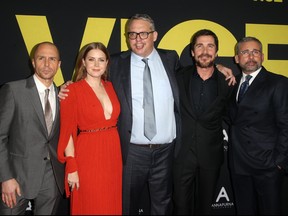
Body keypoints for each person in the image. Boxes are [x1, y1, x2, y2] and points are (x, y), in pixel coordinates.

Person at [59, 14, 235, 215]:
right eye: (132, 34)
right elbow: (89, 83)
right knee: (127, 206)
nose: (138, 39)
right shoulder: (116, 63)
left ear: (155, 35)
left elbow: (198, 71)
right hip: (132, 152)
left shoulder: (170, 58)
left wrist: (218, 66)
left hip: (166, 152)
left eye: (143, 33)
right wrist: (65, 86)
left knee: (163, 205)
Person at [173, 29, 235, 215]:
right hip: (181, 155)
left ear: (216, 52)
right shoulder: (177, 77)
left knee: (205, 208)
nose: (205, 51)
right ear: (192, 51)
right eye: (199, 46)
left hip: (211, 155)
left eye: (210, 46)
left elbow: (230, 115)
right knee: (181, 208)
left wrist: (221, 67)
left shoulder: (228, 82)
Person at [57, 42, 122, 215]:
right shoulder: (71, 90)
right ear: (83, 62)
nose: (96, 64)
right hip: (88, 155)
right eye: (91, 59)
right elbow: (68, 131)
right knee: (90, 203)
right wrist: (71, 165)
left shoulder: (111, 86)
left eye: (101, 60)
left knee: (110, 203)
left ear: (107, 63)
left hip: (113, 155)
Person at [0, 41, 65, 215]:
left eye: (52, 59)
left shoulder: (62, 95)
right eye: (41, 58)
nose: (46, 63)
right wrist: (5, 178)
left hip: (52, 179)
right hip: (17, 177)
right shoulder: (13, 90)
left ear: (59, 65)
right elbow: (1, 137)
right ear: (33, 62)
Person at [227, 36, 288, 215]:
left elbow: (286, 124)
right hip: (239, 163)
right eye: (245, 52)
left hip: (268, 166)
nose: (251, 56)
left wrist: (279, 162)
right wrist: (218, 67)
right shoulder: (231, 83)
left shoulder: (278, 83)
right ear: (237, 58)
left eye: (255, 52)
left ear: (262, 56)